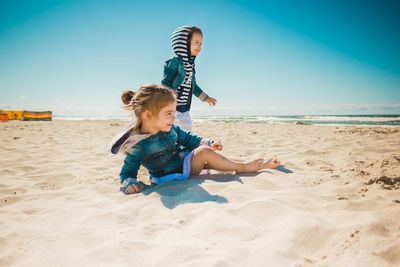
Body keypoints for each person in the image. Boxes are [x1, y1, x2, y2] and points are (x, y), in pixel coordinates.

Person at [109, 84, 280, 195]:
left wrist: (208, 142)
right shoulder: (138, 145)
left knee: (211, 155)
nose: (173, 118)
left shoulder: (170, 128)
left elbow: (188, 139)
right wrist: (129, 182)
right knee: (205, 154)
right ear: (148, 115)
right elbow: (128, 170)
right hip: (171, 176)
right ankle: (244, 167)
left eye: (174, 113)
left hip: (183, 162)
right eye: (168, 114)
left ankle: (251, 163)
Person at [161, 25, 217, 132]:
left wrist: (206, 98)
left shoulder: (191, 66)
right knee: (173, 131)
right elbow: (166, 82)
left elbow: (194, 87)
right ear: (183, 43)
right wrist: (170, 97)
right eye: (196, 43)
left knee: (187, 130)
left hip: (185, 108)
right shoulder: (175, 62)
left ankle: (184, 148)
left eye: (201, 44)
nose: (199, 47)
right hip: (172, 107)